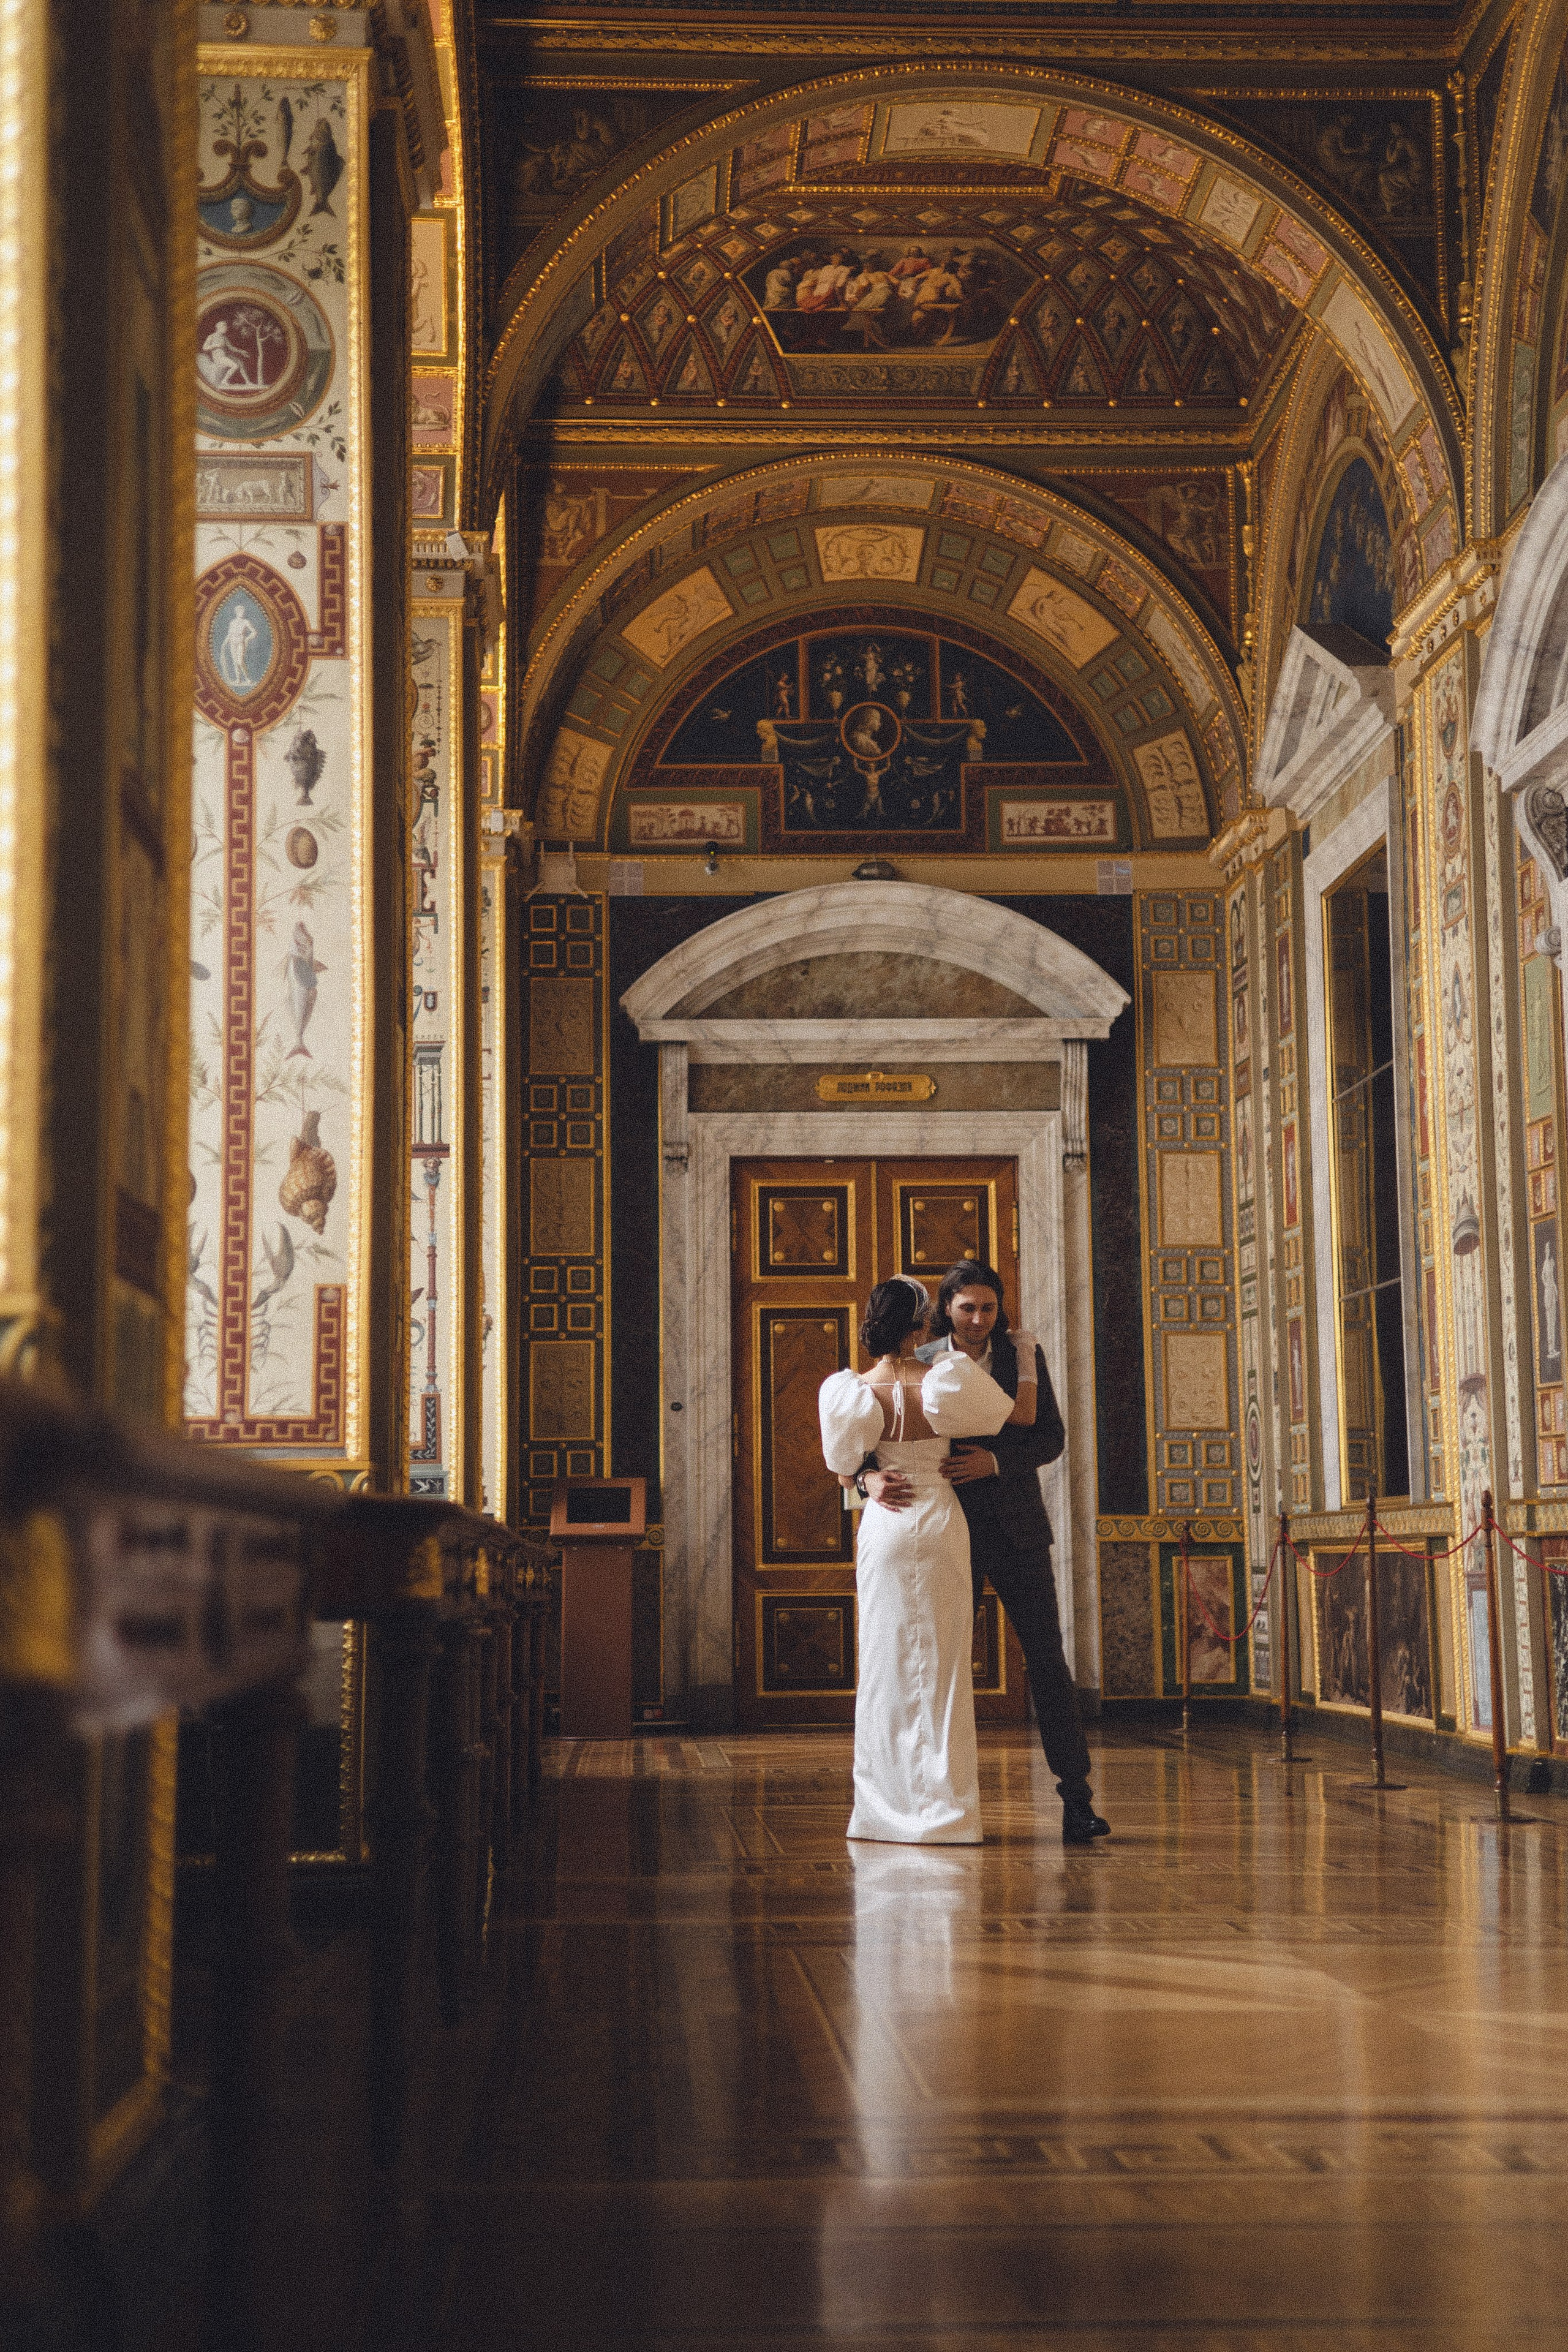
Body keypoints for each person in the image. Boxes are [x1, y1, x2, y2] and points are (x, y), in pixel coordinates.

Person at [861, 1257, 1111, 1845]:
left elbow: (1049, 1437)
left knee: (1047, 1660)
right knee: (938, 1667)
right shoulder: (919, 1359)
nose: (978, 1319)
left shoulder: (1025, 1356)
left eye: (988, 1308)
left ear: (1000, 1309)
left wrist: (995, 1462)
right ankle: (932, 1802)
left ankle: (1077, 1800)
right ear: (945, 1310)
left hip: (1018, 1530)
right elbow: (871, 1443)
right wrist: (866, 1481)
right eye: (967, 1308)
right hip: (942, 1533)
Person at [818, 1275, 1020, 1844]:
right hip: (939, 1519)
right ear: (922, 1324)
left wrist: (866, 1480)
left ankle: (881, 1812)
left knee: (884, 1664)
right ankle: (947, 1813)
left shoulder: (851, 1390)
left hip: (886, 1522)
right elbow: (999, 1415)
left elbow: (843, 1467)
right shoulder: (947, 1378)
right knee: (944, 1666)